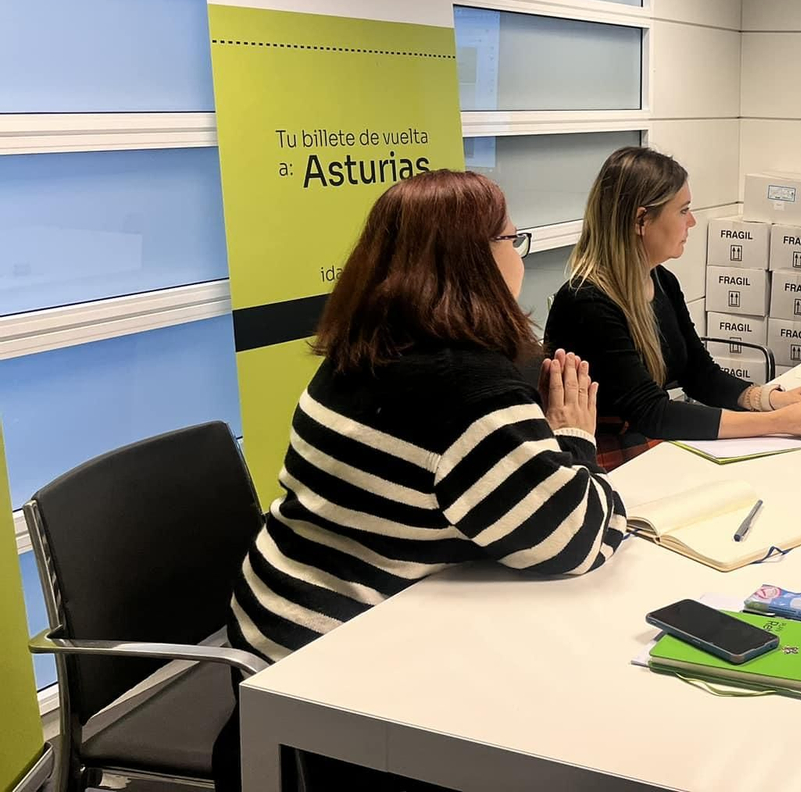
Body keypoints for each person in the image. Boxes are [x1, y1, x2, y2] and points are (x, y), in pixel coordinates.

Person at [213, 170, 627, 791]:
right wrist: (572, 435)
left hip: (268, 640)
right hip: (342, 699)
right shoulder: (468, 389)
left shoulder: (357, 354)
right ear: (474, 262)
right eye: (515, 240)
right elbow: (579, 539)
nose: (520, 255)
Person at [544, 147, 801, 469]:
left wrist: (773, 400)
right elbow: (653, 413)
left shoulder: (661, 280)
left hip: (645, 447)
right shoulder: (587, 302)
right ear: (642, 220)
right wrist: (780, 422)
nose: (692, 222)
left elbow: (700, 374)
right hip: (603, 465)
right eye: (683, 211)